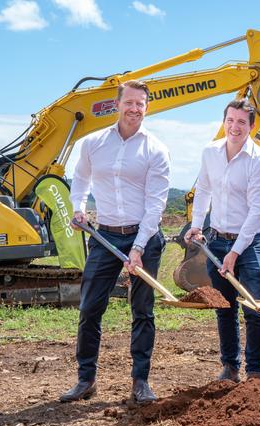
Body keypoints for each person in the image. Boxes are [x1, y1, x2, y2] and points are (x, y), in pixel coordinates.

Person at [61, 79, 170, 403]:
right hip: (104, 235)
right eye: (129, 102)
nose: (134, 109)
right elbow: (79, 181)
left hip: (145, 236)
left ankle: (140, 381)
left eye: (140, 104)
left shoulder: (156, 149)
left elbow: (156, 205)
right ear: (117, 104)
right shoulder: (93, 144)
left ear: (146, 107)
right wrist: (79, 209)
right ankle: (86, 380)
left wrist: (137, 248)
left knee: (142, 310)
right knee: (90, 308)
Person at [184, 99, 260, 383]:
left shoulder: (259, 162)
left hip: (252, 241)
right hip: (217, 239)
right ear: (224, 122)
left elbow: (256, 212)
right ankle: (230, 367)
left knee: (254, 307)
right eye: (230, 120)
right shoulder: (210, 152)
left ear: (252, 126)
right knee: (224, 306)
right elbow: (204, 190)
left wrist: (234, 253)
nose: (235, 127)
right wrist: (197, 226)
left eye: (241, 122)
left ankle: (255, 371)